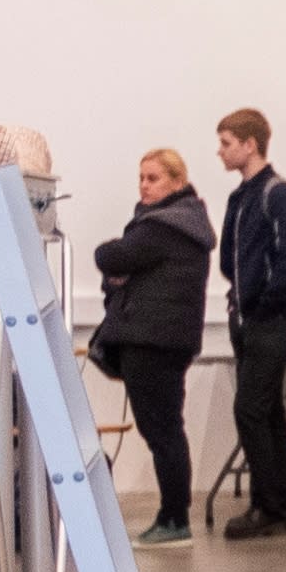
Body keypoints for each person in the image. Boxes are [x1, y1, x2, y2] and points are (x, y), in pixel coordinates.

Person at [214, 108, 286, 539]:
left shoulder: (277, 194)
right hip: (250, 317)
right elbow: (228, 259)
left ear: (250, 145)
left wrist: (264, 305)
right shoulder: (241, 197)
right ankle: (283, 509)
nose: (220, 151)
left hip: (273, 318)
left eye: (226, 143)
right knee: (268, 411)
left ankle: (267, 507)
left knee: (249, 409)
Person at [93, 145, 216, 546]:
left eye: (154, 178)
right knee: (166, 430)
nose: (144, 186)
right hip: (168, 341)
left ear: (178, 182)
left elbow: (110, 256)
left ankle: (174, 520)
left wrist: (115, 265)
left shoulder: (164, 226)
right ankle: (173, 516)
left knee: (162, 432)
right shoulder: (184, 224)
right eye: (141, 178)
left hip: (151, 341)